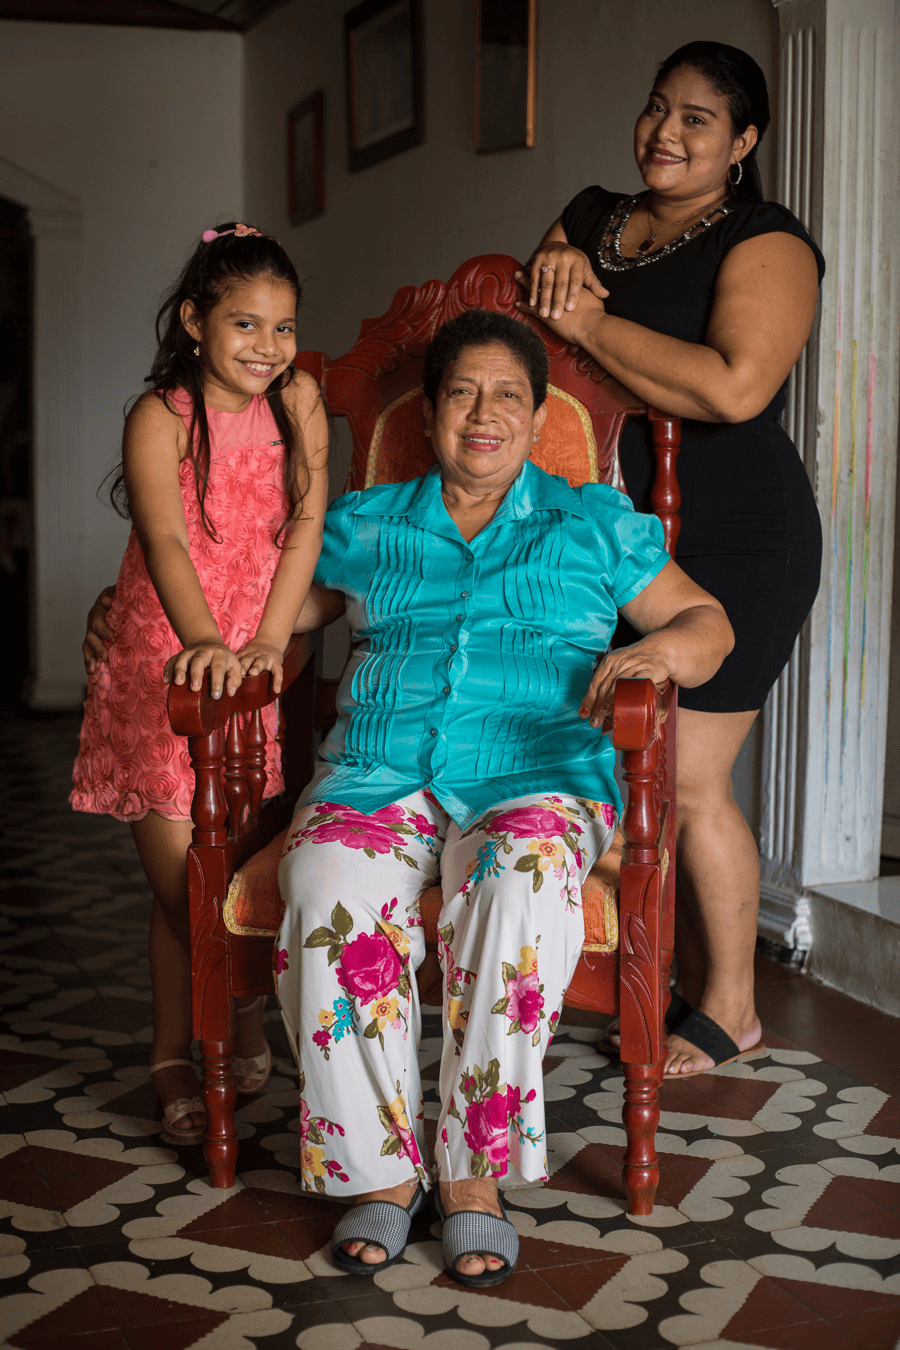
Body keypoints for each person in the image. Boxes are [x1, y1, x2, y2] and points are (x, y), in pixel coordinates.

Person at [275, 309, 733, 1286]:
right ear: (432, 412)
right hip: (379, 772)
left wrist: (654, 650)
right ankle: (384, 1172)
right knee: (323, 885)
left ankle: (473, 1172)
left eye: (507, 396)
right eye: (462, 393)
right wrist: (143, 615)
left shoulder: (594, 525)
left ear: (538, 418)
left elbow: (708, 622)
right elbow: (261, 609)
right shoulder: (367, 525)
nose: (483, 414)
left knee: (516, 888)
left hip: (535, 777)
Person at [517, 41, 825, 1079]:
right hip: (611, 534)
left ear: (743, 143)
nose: (666, 132)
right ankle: (638, 966)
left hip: (738, 532)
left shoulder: (765, 239)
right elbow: (533, 353)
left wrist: (593, 314)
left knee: (689, 778)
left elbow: (734, 387)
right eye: (657, 107)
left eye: (699, 118)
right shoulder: (593, 215)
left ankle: (729, 1006)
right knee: (595, 759)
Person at [71, 223, 328, 1144]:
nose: (267, 347)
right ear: (193, 320)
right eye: (245, 325)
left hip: (250, 664)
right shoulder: (162, 415)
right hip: (165, 657)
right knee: (185, 884)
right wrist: (208, 642)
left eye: (285, 327)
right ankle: (209, 1029)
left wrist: (261, 644)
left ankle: (190, 1035)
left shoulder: (298, 401)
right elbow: (168, 542)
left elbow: (304, 526)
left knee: (223, 864)